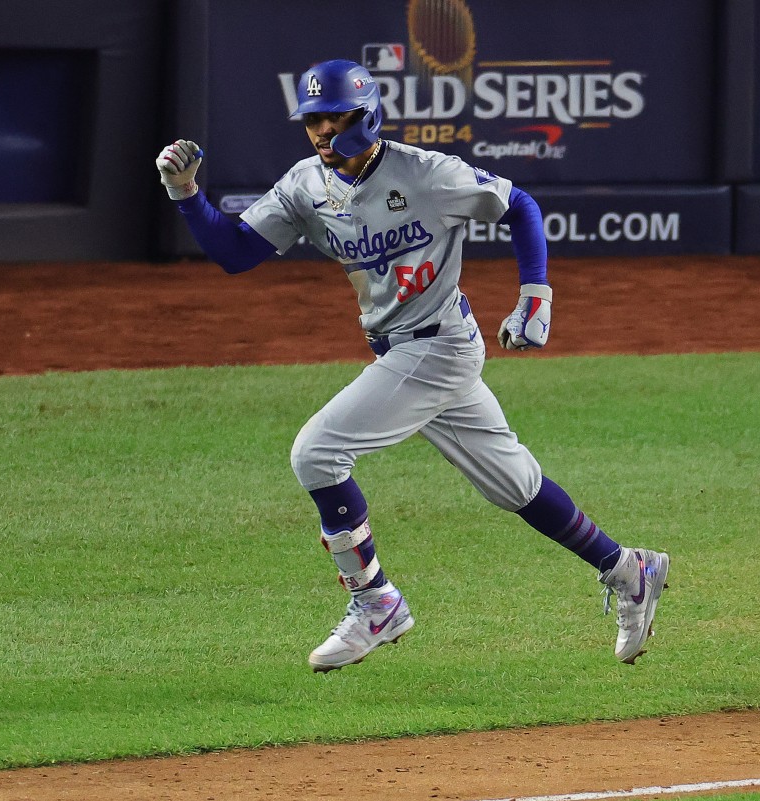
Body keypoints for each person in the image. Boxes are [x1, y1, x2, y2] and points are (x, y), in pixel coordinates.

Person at [156, 59, 669, 672]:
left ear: (366, 113)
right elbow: (237, 253)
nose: (321, 131)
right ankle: (629, 569)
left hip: (439, 345)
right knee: (517, 487)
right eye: (311, 119)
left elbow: (520, 206)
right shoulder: (305, 186)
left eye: (333, 117)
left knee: (316, 453)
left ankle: (376, 602)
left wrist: (536, 296)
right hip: (405, 349)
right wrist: (186, 194)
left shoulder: (426, 174)